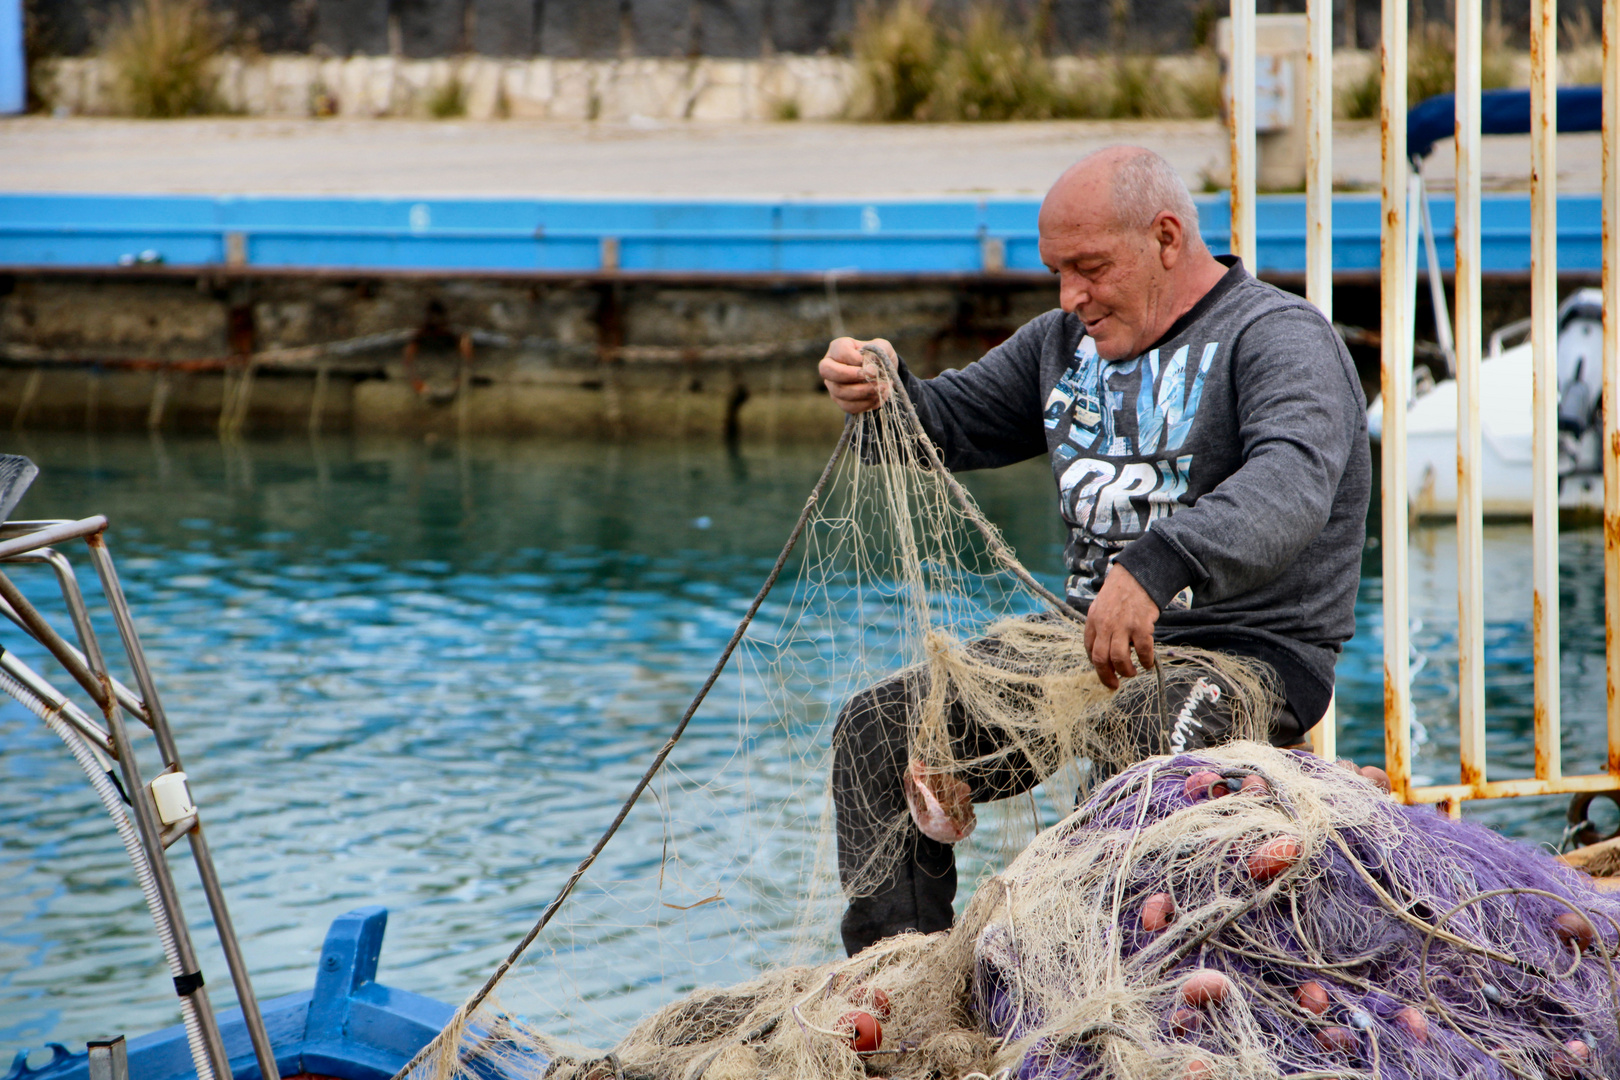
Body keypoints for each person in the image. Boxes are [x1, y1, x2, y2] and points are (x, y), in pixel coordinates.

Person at [818, 145, 1371, 957]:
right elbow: (938, 424)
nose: (1071, 295)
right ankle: (900, 983)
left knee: (1137, 741)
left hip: (1243, 656)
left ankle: (1110, 990)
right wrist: (880, 387)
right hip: (1086, 647)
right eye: (1056, 273)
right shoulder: (1061, 345)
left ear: (1168, 238)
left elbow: (1289, 484)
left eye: (1090, 268)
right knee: (878, 731)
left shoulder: (1279, 339)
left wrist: (1156, 565)